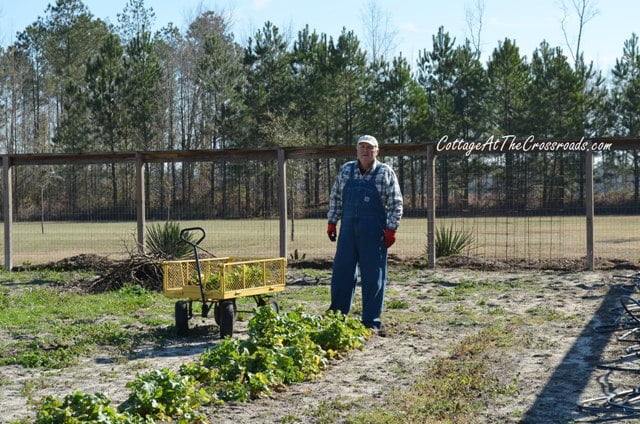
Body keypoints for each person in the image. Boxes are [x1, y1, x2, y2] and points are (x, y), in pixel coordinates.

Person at [326, 134, 403, 332]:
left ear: (376, 151)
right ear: (357, 150)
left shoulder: (385, 172)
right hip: (348, 232)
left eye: (370, 148)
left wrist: (391, 229)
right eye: (362, 147)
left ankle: (371, 321)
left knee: (373, 276)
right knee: (342, 273)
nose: (365, 151)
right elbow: (335, 196)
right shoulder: (346, 170)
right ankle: (337, 315)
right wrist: (332, 222)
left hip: (374, 233)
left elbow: (396, 203)